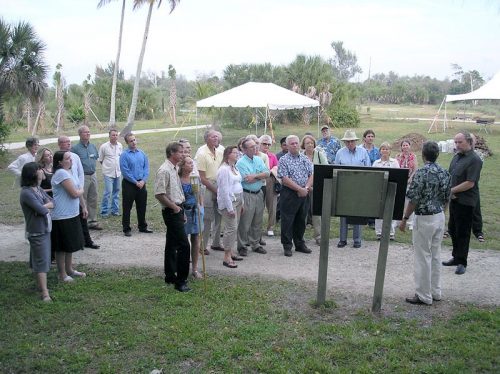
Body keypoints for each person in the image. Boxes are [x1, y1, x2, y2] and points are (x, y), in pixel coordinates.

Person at [399, 141, 451, 305]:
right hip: (439, 214)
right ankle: (436, 291)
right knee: (435, 254)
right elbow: (448, 195)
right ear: (437, 154)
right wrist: (443, 213)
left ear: (423, 155)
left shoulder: (421, 173)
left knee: (423, 256)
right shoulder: (444, 172)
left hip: (425, 217)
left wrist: (405, 218)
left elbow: (413, 199)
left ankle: (423, 295)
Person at [443, 131, 482, 275]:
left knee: (463, 232)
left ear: (469, 142)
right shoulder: (457, 157)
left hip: (466, 201)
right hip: (454, 200)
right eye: (456, 142)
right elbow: (450, 175)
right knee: (453, 229)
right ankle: (455, 256)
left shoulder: (475, 160)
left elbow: (470, 183)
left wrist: (451, 191)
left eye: (460, 142)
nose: (457, 145)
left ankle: (462, 261)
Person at [154, 142, 191, 292]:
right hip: (171, 211)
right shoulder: (164, 170)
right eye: (180, 152)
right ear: (172, 153)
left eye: (184, 152)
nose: (184, 154)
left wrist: (180, 208)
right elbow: (159, 194)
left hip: (177, 208)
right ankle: (181, 281)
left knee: (171, 243)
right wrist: (175, 208)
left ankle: (170, 275)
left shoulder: (174, 168)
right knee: (184, 245)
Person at [51, 151, 87, 282]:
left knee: (70, 244)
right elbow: (74, 193)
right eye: (67, 158)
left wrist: (83, 206)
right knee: (62, 246)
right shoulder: (61, 173)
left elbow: (78, 191)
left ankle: (69, 269)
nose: (71, 160)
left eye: (70, 158)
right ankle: (61, 274)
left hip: (72, 213)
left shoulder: (70, 172)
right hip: (61, 215)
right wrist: (82, 189)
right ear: (60, 162)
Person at [20, 162, 54, 302]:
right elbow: (42, 209)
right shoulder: (26, 193)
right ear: (33, 173)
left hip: (44, 228)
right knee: (42, 261)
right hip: (37, 231)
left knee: (40, 257)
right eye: (39, 169)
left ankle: (40, 286)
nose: (42, 171)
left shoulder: (37, 189)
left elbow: (52, 202)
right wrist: (45, 207)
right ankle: (45, 293)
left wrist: (44, 207)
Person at [58, 136, 99, 250]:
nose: (68, 144)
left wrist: (80, 187)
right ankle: (72, 243)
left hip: (77, 190)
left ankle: (87, 241)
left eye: (69, 142)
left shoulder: (75, 157)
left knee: (82, 216)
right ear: (59, 144)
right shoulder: (58, 157)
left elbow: (80, 173)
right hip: (66, 192)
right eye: (65, 142)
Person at [277, 135, 313, 257]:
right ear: (286, 146)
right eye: (292, 143)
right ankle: (287, 246)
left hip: (304, 192)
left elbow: (311, 174)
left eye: (296, 143)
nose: (295, 145)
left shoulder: (304, 158)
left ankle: (299, 243)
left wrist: (306, 188)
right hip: (289, 194)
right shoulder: (283, 160)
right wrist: (299, 189)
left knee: (301, 219)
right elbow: (285, 179)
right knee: (288, 220)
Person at [334, 130, 371, 248]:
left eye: (351, 141)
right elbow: (335, 170)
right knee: (343, 213)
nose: (350, 143)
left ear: (355, 141)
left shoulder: (363, 152)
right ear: (344, 142)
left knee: (358, 212)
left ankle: (357, 239)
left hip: (359, 187)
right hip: (344, 187)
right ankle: (343, 239)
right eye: (347, 141)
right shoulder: (340, 153)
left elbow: (368, 169)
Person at [236, 138, 269, 256]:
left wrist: (255, 175)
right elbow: (247, 180)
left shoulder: (259, 159)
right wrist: (260, 175)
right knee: (245, 222)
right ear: (244, 150)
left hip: (259, 192)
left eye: (255, 146)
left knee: (257, 220)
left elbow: (267, 173)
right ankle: (242, 246)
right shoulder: (240, 163)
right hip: (247, 193)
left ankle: (255, 244)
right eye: (251, 147)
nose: (255, 148)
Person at [195, 130, 224, 254]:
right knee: (207, 217)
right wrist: (215, 190)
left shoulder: (219, 151)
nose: (216, 137)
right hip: (207, 187)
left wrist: (220, 189)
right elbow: (202, 177)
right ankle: (202, 245)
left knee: (220, 215)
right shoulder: (202, 153)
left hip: (219, 185)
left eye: (217, 136)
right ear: (206, 139)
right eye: (213, 136)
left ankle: (216, 243)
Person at [120, 133, 152, 237]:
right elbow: (125, 171)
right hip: (129, 184)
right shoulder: (124, 155)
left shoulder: (142, 153)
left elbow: (146, 168)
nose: (133, 142)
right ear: (127, 142)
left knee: (142, 206)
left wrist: (143, 181)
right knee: (127, 207)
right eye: (131, 141)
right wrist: (135, 182)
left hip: (141, 183)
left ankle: (142, 226)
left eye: (134, 140)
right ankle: (126, 228)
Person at [217, 146, 244, 268]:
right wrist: (229, 208)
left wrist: (241, 202)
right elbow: (224, 191)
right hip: (229, 202)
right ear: (228, 154)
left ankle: (231, 252)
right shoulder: (224, 170)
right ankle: (226, 257)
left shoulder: (234, 167)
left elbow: (238, 184)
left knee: (235, 227)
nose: (237, 154)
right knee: (230, 228)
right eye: (234, 152)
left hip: (237, 200)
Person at [71, 126, 101, 230]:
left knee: (93, 197)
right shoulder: (75, 149)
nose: (88, 134)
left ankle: (92, 221)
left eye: (89, 132)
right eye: (85, 132)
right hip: (83, 176)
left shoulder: (92, 146)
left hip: (93, 175)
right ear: (80, 134)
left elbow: (96, 158)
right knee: (82, 198)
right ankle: (83, 221)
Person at [178, 156, 203, 279]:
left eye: (192, 163)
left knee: (196, 239)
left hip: (196, 211)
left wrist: (200, 206)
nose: (192, 165)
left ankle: (194, 268)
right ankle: (182, 267)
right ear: (182, 165)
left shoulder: (195, 178)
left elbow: (200, 194)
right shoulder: (178, 180)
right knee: (183, 241)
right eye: (189, 163)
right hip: (184, 211)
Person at [301, 134, 328, 245]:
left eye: (312, 143)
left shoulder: (320, 155)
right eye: (307, 143)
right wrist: (306, 186)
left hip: (316, 188)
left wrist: (314, 186)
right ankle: (300, 236)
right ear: (303, 145)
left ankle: (319, 236)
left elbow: (325, 169)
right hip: (303, 187)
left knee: (317, 213)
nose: (310, 145)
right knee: (302, 213)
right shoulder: (300, 156)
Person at [372, 142, 400, 240]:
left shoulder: (394, 162)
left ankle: (391, 233)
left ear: (390, 151)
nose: (385, 151)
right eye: (383, 149)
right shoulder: (376, 163)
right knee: (379, 211)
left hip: (391, 189)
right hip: (379, 190)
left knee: (391, 210)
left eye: (387, 149)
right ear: (380, 151)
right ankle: (379, 232)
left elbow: (398, 176)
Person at [98, 128, 123, 217]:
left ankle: (115, 211)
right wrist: (107, 167)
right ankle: (104, 212)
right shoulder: (104, 146)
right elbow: (100, 160)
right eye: (113, 135)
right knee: (108, 192)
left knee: (116, 192)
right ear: (109, 136)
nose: (115, 136)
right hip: (108, 173)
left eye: (116, 135)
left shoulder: (120, 145)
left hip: (118, 173)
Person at [396, 139, 418, 230]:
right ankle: (398, 220)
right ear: (401, 147)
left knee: (409, 201)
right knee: (400, 201)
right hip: (401, 181)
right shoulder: (398, 156)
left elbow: (416, 169)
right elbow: (396, 168)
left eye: (407, 145)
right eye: (403, 145)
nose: (405, 147)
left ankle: (410, 222)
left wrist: (411, 178)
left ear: (409, 146)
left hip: (410, 181)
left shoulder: (413, 156)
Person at [259, 134, 279, 237]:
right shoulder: (256, 155)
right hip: (259, 180)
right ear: (259, 144)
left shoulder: (272, 156)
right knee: (259, 206)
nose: (266, 146)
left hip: (270, 179)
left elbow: (276, 166)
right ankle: (257, 227)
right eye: (264, 144)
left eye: (268, 144)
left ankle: (270, 226)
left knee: (272, 205)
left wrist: (272, 170)